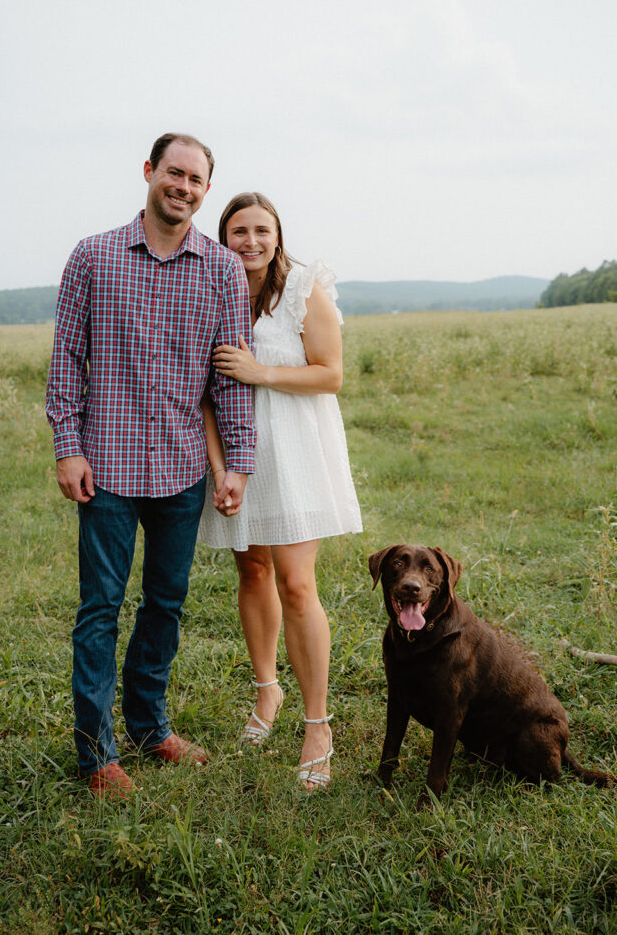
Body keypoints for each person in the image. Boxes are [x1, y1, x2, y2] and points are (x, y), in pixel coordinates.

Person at [46, 133, 256, 799]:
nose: (184, 187)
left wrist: (237, 464)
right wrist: (67, 446)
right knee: (100, 610)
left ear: (204, 190)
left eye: (196, 180)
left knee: (165, 604)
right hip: (103, 469)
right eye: (174, 173)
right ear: (149, 172)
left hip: (180, 470)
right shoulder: (93, 256)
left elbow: (229, 379)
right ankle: (95, 754)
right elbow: (65, 362)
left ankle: (149, 726)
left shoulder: (221, 270)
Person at [198, 192, 362, 790]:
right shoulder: (211, 292)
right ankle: (267, 692)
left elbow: (331, 374)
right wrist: (219, 469)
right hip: (238, 459)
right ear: (223, 237)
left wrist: (261, 371)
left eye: (261, 230)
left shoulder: (301, 288)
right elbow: (204, 394)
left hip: (295, 452)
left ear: (277, 234)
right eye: (237, 230)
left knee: (297, 582)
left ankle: (317, 724)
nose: (250, 241)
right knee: (253, 573)